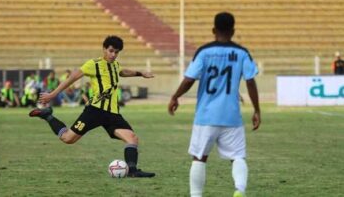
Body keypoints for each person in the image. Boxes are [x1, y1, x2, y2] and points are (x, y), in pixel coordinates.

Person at [29, 35, 156, 178]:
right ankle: (48, 115)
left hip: (112, 113)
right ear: (104, 49)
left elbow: (123, 71)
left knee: (132, 138)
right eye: (111, 51)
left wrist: (140, 73)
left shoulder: (115, 65)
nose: (113, 55)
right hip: (95, 111)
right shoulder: (93, 64)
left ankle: (132, 171)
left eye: (116, 52)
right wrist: (52, 94)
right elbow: (72, 78)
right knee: (67, 139)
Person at [168, 12, 261, 197]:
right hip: (231, 115)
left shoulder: (204, 52)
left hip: (206, 115)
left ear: (213, 30)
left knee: (199, 157)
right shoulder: (242, 53)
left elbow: (189, 79)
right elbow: (250, 81)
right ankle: (239, 190)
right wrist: (257, 109)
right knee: (237, 156)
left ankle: (196, 195)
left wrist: (175, 96)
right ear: (233, 31)